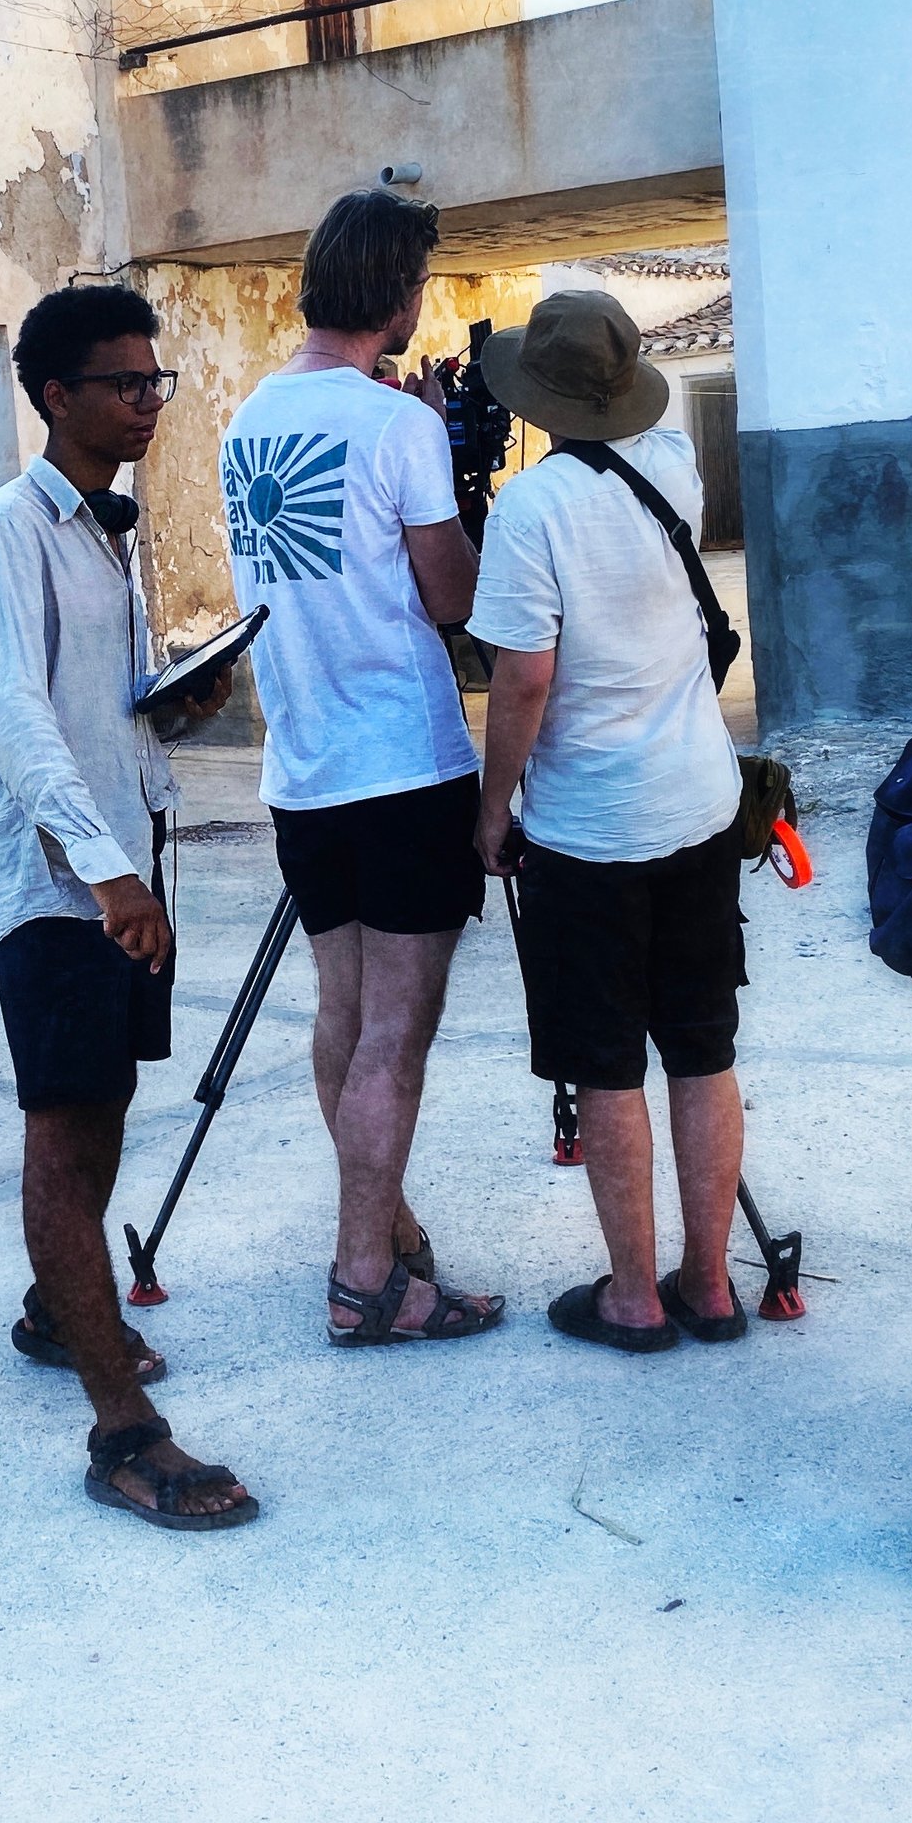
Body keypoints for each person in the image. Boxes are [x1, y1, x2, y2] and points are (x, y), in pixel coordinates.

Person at [0, 284, 255, 1531]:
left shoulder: (101, 533)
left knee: (108, 1105)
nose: (147, 403)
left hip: (122, 872)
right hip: (60, 892)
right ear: (54, 395)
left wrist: (168, 705)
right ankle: (122, 1433)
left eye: (155, 382)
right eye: (124, 384)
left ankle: (53, 1307)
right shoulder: (7, 532)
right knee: (64, 1131)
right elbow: (10, 714)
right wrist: (102, 868)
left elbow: (88, 702)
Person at [219, 188, 506, 1347]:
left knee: (342, 1015)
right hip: (400, 760)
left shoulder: (247, 419)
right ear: (398, 293)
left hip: (303, 768)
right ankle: (364, 1281)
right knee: (397, 1031)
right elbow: (454, 600)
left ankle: (382, 1237)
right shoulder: (397, 428)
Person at [466, 288, 753, 1351]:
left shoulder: (530, 512)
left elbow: (524, 684)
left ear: (536, 395)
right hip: (697, 803)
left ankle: (632, 1297)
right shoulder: (672, 463)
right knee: (701, 1045)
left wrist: (494, 808)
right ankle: (710, 1284)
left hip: (589, 828)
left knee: (605, 1061)